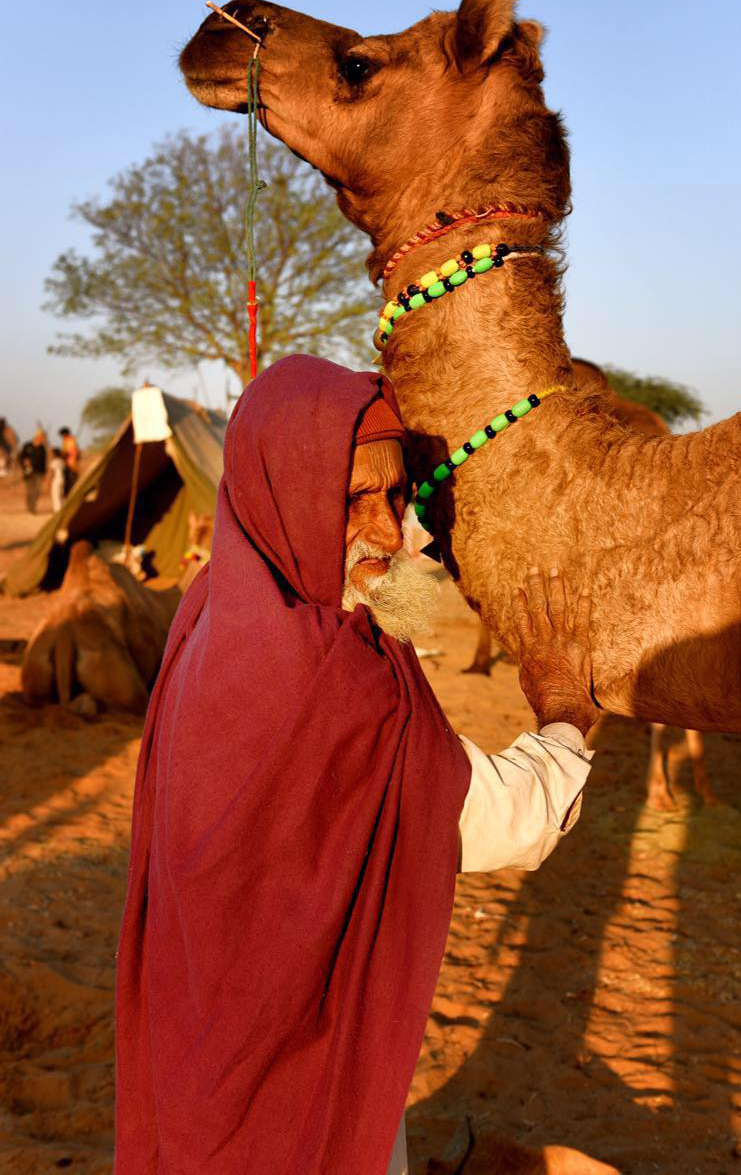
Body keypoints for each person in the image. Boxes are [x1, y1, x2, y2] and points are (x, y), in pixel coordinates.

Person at [114, 356, 600, 1175]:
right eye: (353, 501)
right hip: (295, 1081)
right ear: (288, 499)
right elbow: (504, 825)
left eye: (397, 494)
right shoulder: (335, 684)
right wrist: (567, 712)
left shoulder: (207, 612)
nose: (393, 532)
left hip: (196, 1050)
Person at [18, 429, 47, 514]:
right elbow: (20, 457)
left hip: (39, 473)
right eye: (41, 436)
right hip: (28, 472)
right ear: (37, 436)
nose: (42, 438)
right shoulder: (27, 446)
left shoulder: (42, 448)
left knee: (37, 491)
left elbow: (44, 462)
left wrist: (44, 474)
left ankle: (33, 507)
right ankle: (30, 508)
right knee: (30, 491)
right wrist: (24, 463)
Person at [59, 425, 80, 496]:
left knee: (71, 483)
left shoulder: (70, 441)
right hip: (69, 464)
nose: (62, 437)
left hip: (71, 465)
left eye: (62, 435)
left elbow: (72, 452)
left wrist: (63, 454)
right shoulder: (67, 441)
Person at [48, 447, 65, 513]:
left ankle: (57, 510)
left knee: (55, 495)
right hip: (62, 479)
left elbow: (52, 473)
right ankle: (61, 508)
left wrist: (48, 481)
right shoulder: (61, 461)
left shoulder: (54, 462)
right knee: (60, 494)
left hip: (56, 479)